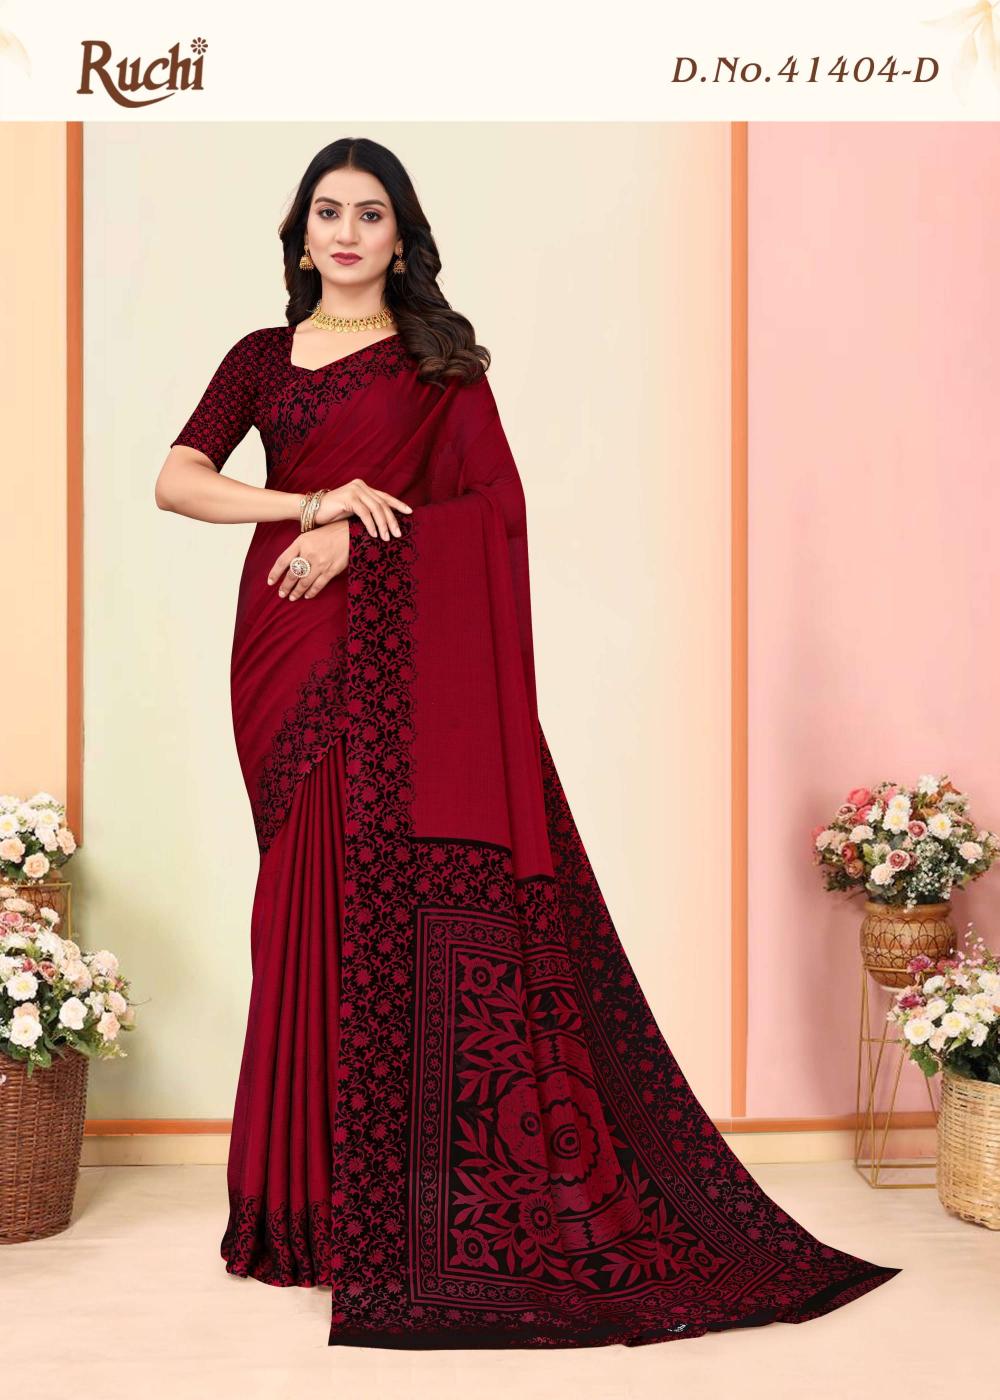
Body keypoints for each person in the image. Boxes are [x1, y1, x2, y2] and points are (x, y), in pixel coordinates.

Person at [155, 136, 901, 1349]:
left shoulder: (439, 367)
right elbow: (179, 479)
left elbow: (490, 515)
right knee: (294, 907)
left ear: (403, 238)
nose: (346, 233)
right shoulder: (258, 357)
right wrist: (313, 503)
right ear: (300, 233)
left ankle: (374, 1207)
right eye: (327, 212)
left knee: (364, 907)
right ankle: (292, 1206)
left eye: (371, 214)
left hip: (388, 653)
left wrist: (362, 544)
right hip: (281, 649)